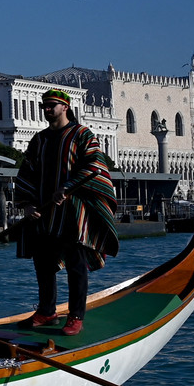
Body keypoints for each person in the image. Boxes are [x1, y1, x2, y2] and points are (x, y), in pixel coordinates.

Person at [16, 87, 118, 335]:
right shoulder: (39, 139)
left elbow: (95, 165)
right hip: (44, 212)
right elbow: (26, 173)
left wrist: (68, 187)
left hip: (73, 212)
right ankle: (47, 311)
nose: (47, 109)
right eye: (45, 106)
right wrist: (27, 204)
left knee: (75, 264)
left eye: (52, 105)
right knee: (42, 263)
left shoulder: (82, 134)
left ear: (65, 107)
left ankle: (75, 316)